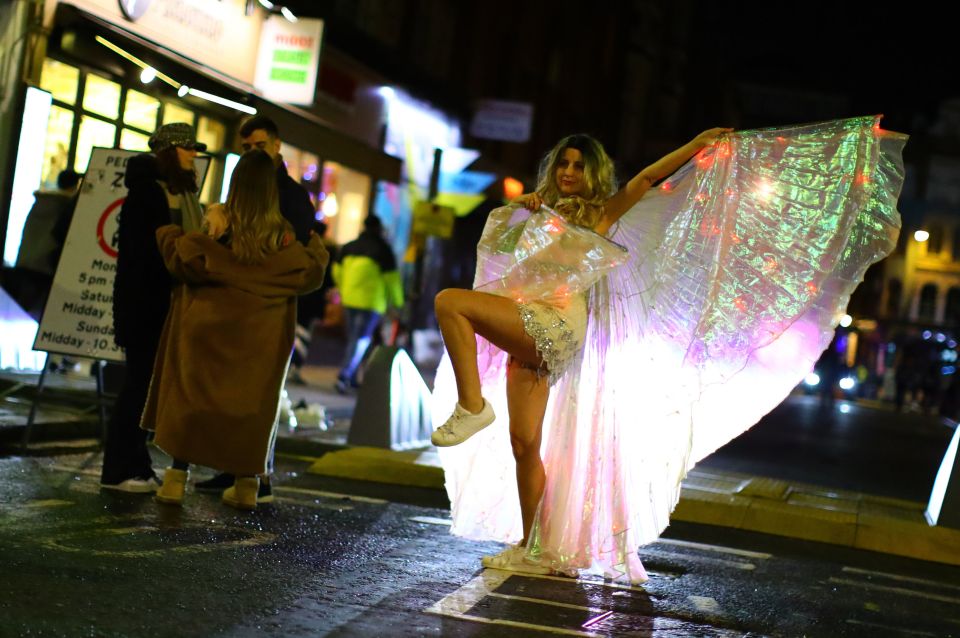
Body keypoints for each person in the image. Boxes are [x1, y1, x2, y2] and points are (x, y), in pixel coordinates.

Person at [431, 116, 907, 583]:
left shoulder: (599, 213)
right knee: (524, 445)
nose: (569, 173)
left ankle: (472, 404)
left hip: (555, 324)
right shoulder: (534, 213)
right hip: (526, 327)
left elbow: (646, 178)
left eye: (578, 165)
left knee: (450, 302)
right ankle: (534, 545)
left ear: (592, 173)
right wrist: (523, 212)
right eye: (563, 165)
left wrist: (697, 143)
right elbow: (499, 258)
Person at [146, 149, 329, 509]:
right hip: (260, 335)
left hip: (208, 326)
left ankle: (174, 480)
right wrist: (317, 246)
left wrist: (171, 233)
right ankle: (246, 486)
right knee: (253, 407)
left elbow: (187, 260)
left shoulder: (217, 222)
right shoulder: (283, 236)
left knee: (191, 398)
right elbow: (308, 273)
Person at [195, 115, 319, 496]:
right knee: (234, 390)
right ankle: (234, 468)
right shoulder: (243, 187)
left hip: (271, 303)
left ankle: (256, 472)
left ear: (277, 145)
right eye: (246, 147)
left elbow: (296, 255)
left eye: (259, 145)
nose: (252, 153)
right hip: (239, 301)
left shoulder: (292, 196)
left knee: (261, 393)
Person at [100, 123, 206, 492]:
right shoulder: (148, 193)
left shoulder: (176, 193)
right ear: (170, 151)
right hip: (145, 307)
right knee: (138, 388)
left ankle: (137, 463)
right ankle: (118, 469)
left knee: (148, 390)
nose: (194, 154)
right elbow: (145, 258)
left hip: (162, 307)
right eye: (188, 147)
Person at [332, 214, 404, 393]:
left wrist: (343, 289)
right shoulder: (383, 250)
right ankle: (344, 375)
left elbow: (336, 271)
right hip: (371, 303)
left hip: (349, 299)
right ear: (379, 228)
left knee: (354, 339)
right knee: (361, 340)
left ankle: (353, 378)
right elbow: (392, 280)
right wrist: (398, 303)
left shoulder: (349, 247)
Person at [9, 169, 81, 320]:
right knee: (40, 315)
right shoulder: (67, 208)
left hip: (26, 262)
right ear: (75, 185)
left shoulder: (40, 202)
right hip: (45, 268)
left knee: (21, 312)